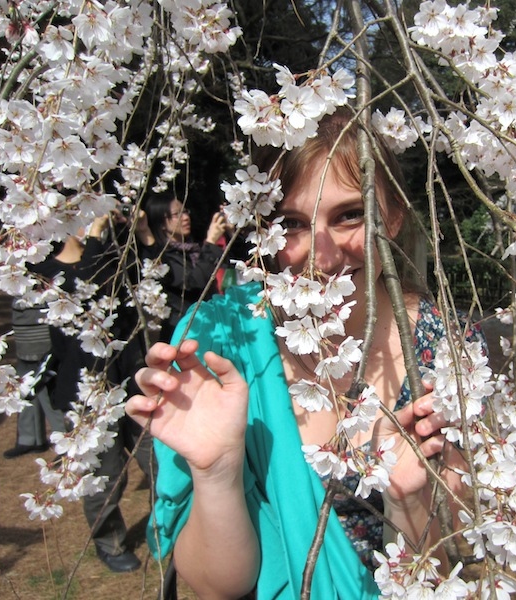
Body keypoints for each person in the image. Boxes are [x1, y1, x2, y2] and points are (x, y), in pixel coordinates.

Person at [126, 109, 485, 598]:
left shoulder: (448, 353)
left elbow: (440, 573)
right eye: (290, 223)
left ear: (394, 218)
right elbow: (217, 588)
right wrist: (217, 472)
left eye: (351, 214)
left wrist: (409, 506)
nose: (322, 255)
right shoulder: (220, 342)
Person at [33, 212, 155, 573]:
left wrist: (144, 233)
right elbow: (89, 293)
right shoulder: (48, 271)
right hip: (85, 390)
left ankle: (169, 528)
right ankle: (110, 541)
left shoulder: (108, 259)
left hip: (130, 377)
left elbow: (151, 281)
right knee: (106, 474)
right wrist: (97, 237)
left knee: (159, 458)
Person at [142, 194, 228, 342]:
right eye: (177, 214)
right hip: (185, 333)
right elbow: (194, 282)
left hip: (212, 325)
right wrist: (211, 242)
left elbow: (228, 265)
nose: (185, 217)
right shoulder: (160, 259)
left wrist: (231, 232)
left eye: (185, 211)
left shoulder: (192, 249)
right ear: (161, 222)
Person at [3, 295, 66, 458]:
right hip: (24, 341)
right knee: (24, 391)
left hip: (45, 342)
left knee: (48, 392)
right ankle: (29, 439)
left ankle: (64, 441)